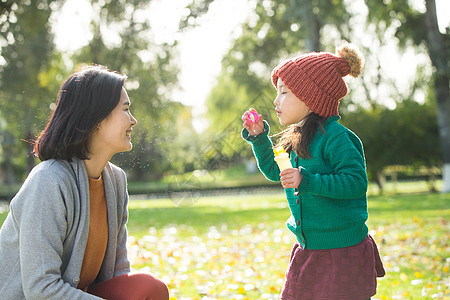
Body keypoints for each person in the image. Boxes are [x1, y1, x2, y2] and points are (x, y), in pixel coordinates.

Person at [0, 65, 169, 300]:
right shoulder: (48, 181)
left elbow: (118, 275)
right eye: (126, 109)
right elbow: (41, 290)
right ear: (96, 119)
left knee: (148, 288)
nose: (134, 120)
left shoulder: (116, 181)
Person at [241, 43, 385, 299]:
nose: (276, 100)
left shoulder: (338, 138)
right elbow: (276, 172)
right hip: (309, 247)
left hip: (342, 250)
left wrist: (306, 180)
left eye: (284, 92)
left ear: (311, 97)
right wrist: (260, 138)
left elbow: (355, 183)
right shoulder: (297, 138)